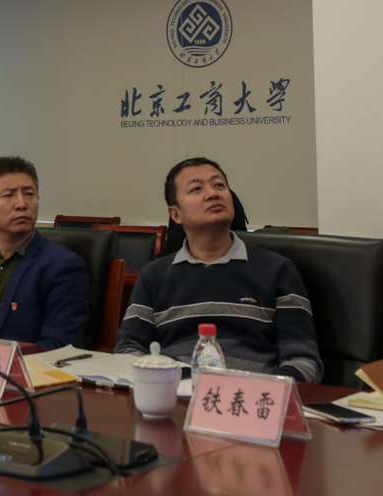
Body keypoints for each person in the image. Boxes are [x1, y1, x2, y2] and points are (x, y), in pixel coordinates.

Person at [116, 157, 322, 383]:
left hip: (253, 396)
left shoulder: (277, 269)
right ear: (175, 214)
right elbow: (128, 349)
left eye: (219, 185)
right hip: (174, 393)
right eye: (196, 189)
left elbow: (303, 360)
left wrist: (268, 393)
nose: (213, 193)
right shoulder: (154, 275)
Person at [0, 156, 90, 350]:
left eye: (29, 194)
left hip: (26, 367)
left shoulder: (63, 266)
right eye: (9, 195)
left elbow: (60, 346)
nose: (21, 203)